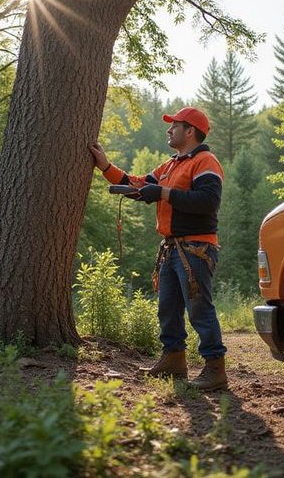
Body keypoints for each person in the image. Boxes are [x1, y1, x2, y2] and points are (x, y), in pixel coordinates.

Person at [90, 107, 228, 391]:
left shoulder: (205, 161)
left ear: (190, 131)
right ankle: (174, 360)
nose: (168, 130)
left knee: (199, 309)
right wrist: (105, 166)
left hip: (196, 249)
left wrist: (163, 193)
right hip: (172, 249)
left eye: (174, 126)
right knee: (167, 308)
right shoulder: (169, 166)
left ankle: (215, 369)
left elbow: (207, 201)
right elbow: (137, 185)